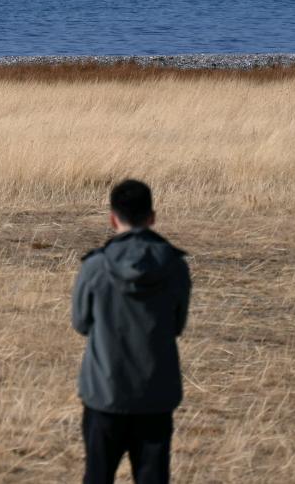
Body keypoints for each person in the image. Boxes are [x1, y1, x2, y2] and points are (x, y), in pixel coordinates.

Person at [72, 179, 191, 484]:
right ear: (152, 217)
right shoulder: (175, 267)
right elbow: (177, 326)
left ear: (112, 218)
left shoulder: (94, 267)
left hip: (104, 393)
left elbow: (81, 324)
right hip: (155, 394)